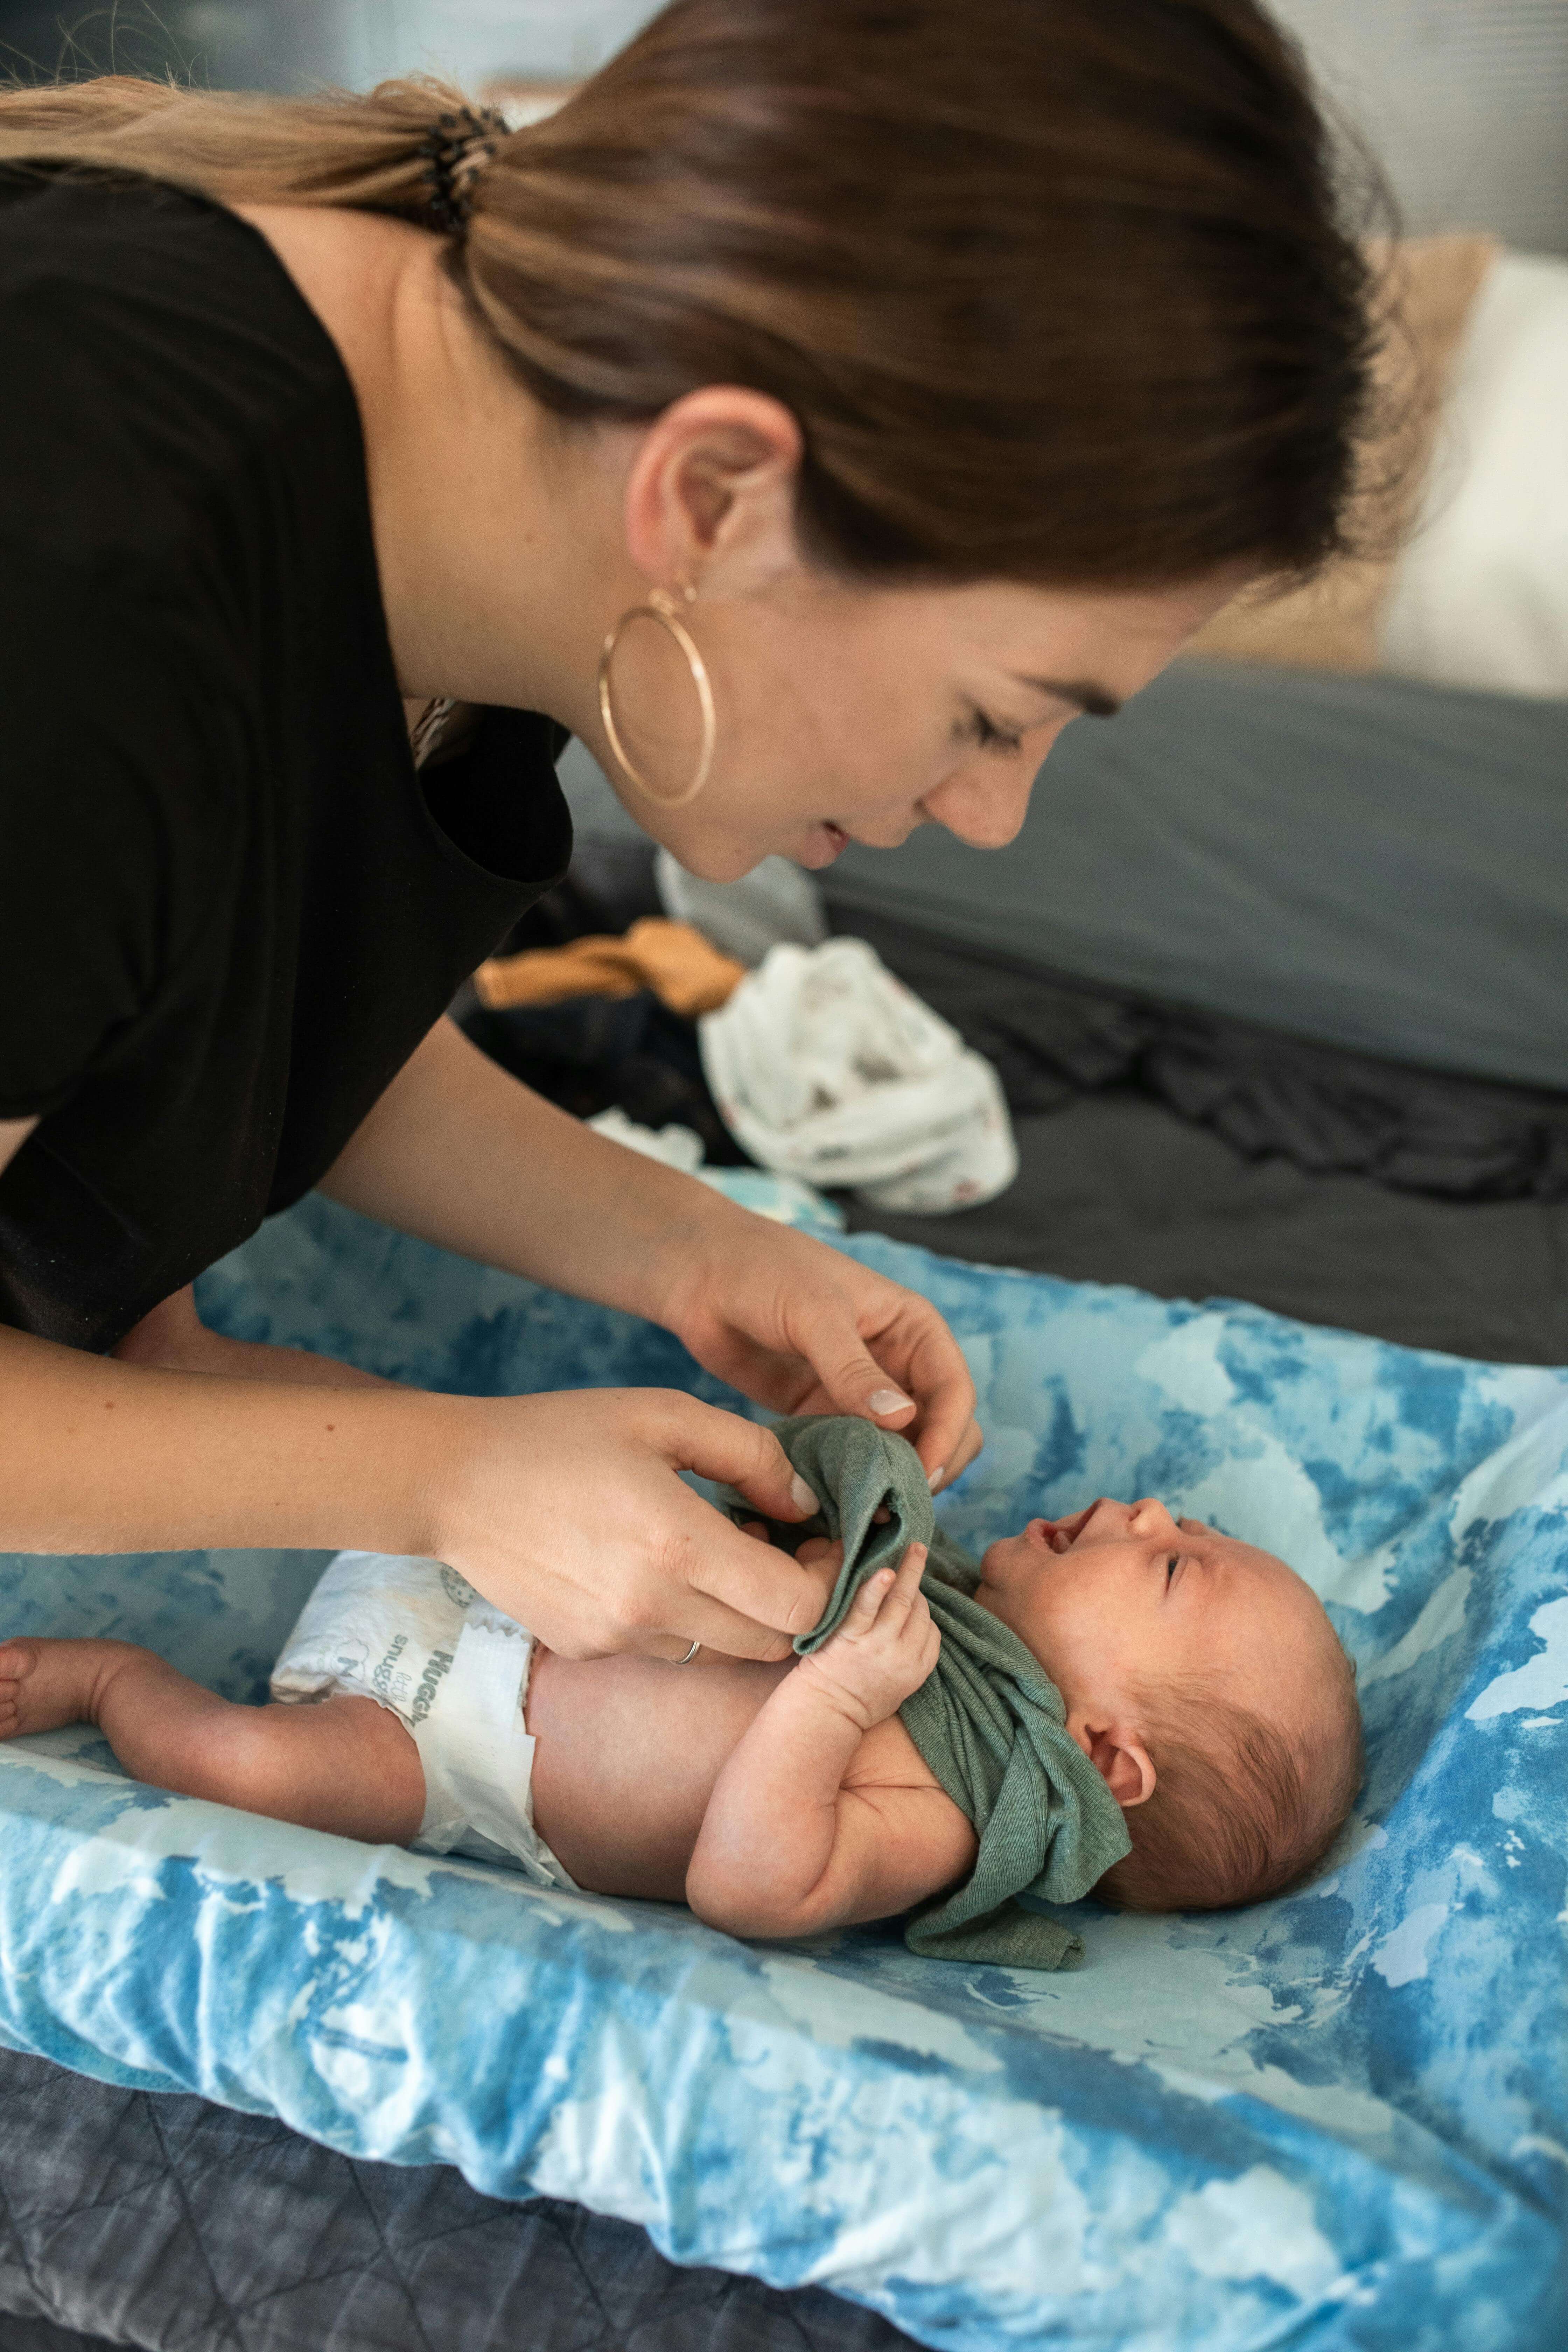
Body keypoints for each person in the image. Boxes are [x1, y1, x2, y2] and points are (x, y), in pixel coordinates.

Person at [0, 0, 1380, 1669]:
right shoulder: (84, 584)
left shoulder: (484, 492)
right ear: (716, 499)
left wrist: (689, 1248)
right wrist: (447, 1484)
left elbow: (220, 993)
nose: (991, 817)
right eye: (995, 711)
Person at [0, 1419, 1362, 1964]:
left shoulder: (958, 1803)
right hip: (495, 1566)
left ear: (1106, 1752)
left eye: (1176, 1565)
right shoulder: (933, 1592)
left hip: (442, 1746)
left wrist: (833, 1702)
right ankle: (161, 1361)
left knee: (237, 1770)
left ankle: (111, 1679)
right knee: (373, 1427)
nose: (1145, 1507)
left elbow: (751, 1889)